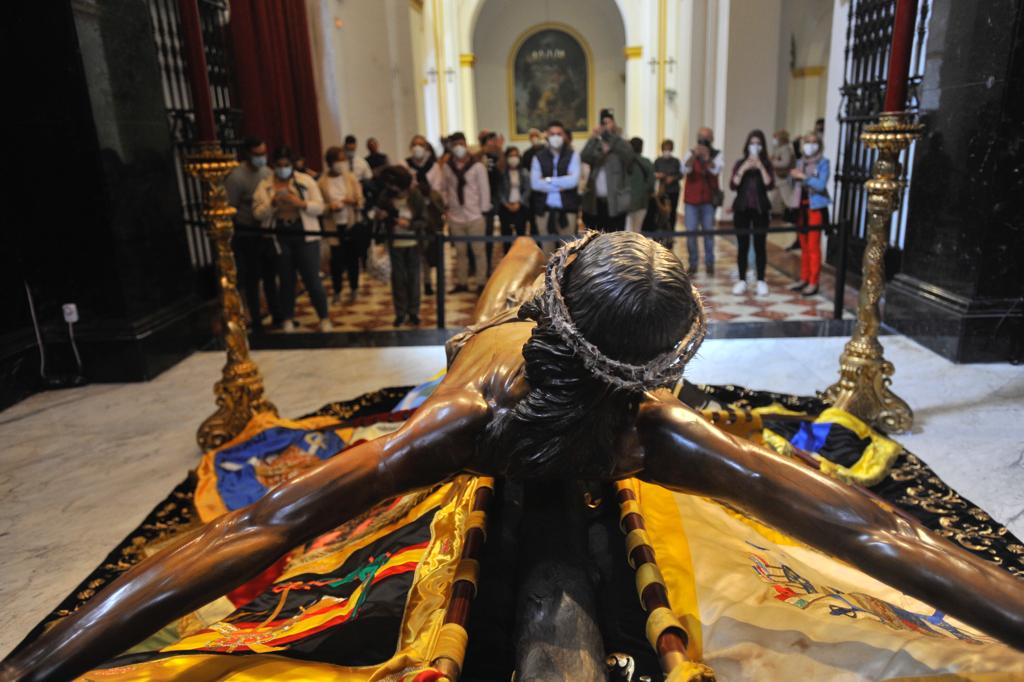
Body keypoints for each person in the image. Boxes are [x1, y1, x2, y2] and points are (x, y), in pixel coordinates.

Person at [8, 231, 1024, 682]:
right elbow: (874, 526)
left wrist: (38, 662)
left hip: (517, 353)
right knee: (490, 302)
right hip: (496, 350)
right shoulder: (508, 415)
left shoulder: (529, 424)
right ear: (656, 375)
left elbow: (259, 525)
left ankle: (540, 261)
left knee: (506, 289)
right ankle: (530, 264)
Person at [253, 145, 332, 332]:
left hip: (304, 233)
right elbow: (257, 214)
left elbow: (320, 207)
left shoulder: (305, 181)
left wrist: (301, 203)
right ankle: (287, 318)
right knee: (286, 279)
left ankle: (324, 317)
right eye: (279, 165)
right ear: (274, 165)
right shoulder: (265, 185)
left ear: (292, 164)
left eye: (286, 164)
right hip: (280, 234)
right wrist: (272, 204)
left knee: (312, 279)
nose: (283, 168)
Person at [224, 136, 280, 332]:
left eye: (263, 153)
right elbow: (230, 209)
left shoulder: (267, 172)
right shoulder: (236, 177)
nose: (262, 158)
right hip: (247, 235)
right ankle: (256, 318)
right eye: (257, 154)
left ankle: (276, 314)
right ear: (248, 154)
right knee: (252, 279)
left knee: (270, 276)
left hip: (266, 233)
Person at [375, 166, 427, 326]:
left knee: (413, 278)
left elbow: (424, 220)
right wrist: (381, 216)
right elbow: (378, 215)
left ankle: (414, 312)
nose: (394, 189)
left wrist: (410, 224)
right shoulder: (385, 196)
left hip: (413, 243)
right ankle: (400, 312)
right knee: (398, 279)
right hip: (394, 243)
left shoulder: (415, 196)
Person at [441, 131, 491, 293]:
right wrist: (446, 207)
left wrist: (483, 210)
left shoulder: (477, 166)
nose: (459, 148)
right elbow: (444, 188)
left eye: (461, 144)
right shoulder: (447, 167)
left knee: (479, 251)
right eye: (455, 145)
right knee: (460, 252)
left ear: (466, 144)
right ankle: (462, 282)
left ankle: (480, 282)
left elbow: (484, 189)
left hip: (475, 215)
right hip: (456, 216)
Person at [729, 130, 775, 297]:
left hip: (760, 209)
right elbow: (733, 185)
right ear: (747, 145)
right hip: (742, 209)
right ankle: (742, 280)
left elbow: (770, 185)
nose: (754, 146)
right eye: (752, 143)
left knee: (760, 245)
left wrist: (761, 166)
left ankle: (761, 281)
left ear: (762, 146)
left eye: (758, 143)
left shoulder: (767, 164)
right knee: (742, 245)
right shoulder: (740, 163)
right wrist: (745, 167)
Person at [318, 146, 365, 305]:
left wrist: (351, 202)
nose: (342, 163)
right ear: (331, 162)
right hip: (333, 224)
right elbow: (319, 206)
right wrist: (330, 207)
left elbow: (360, 200)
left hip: (350, 222)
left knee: (353, 258)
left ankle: (354, 289)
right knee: (336, 260)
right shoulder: (322, 182)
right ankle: (337, 290)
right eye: (339, 160)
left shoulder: (350, 178)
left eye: (343, 160)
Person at [529, 120, 581, 254]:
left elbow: (573, 182)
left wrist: (547, 180)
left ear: (564, 136)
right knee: (547, 252)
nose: (556, 137)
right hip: (544, 211)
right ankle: (548, 276)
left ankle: (565, 276)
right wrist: (562, 183)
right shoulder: (538, 157)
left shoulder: (573, 155)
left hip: (567, 210)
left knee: (567, 252)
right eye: (552, 134)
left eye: (559, 134)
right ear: (547, 135)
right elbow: (535, 184)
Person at [401, 134, 444, 295]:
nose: (417, 148)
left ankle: (429, 281)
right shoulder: (405, 164)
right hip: (413, 213)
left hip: (431, 215)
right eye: (414, 144)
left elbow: (437, 189)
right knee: (415, 251)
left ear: (426, 148)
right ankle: (415, 283)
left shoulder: (434, 166)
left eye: (421, 145)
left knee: (430, 250)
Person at [790, 131, 830, 296]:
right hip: (800, 208)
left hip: (815, 208)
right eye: (807, 142)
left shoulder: (823, 162)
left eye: (813, 142)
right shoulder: (800, 162)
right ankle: (804, 278)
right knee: (804, 245)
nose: (810, 145)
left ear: (819, 145)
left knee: (814, 246)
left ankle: (814, 281)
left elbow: (820, 185)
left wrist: (804, 177)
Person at [580, 108, 634, 232]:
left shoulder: (621, 143)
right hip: (596, 202)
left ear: (614, 123)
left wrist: (613, 139)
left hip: (615, 203)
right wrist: (593, 137)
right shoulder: (596, 144)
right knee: (595, 238)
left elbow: (629, 157)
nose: (606, 126)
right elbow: (584, 156)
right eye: (603, 123)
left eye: (608, 122)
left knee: (614, 239)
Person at [682, 127, 723, 275]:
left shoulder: (717, 155)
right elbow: (684, 169)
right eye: (701, 138)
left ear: (711, 140)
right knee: (691, 234)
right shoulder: (691, 153)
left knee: (708, 234)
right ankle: (693, 263)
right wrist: (694, 155)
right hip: (691, 201)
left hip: (708, 201)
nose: (703, 141)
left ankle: (709, 263)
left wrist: (707, 158)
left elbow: (716, 170)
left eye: (706, 138)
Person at [478, 131, 504, 272]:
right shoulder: (478, 156)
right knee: (486, 233)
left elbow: (502, 168)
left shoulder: (499, 154)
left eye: (493, 140)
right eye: (488, 140)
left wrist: (499, 149)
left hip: (497, 197)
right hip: (483, 199)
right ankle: (485, 266)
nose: (491, 143)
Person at [497, 146, 531, 249]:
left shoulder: (524, 172)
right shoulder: (502, 173)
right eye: (511, 156)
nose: (513, 158)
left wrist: (519, 203)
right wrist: (506, 204)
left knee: (521, 235)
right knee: (506, 236)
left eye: (516, 155)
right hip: (505, 207)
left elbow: (527, 189)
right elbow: (499, 190)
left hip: (521, 206)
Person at [652, 139, 683, 247]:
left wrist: (673, 178)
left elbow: (680, 174)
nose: (667, 151)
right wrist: (658, 175)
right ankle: (659, 233)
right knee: (660, 212)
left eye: (669, 149)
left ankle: (671, 234)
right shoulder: (658, 161)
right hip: (661, 191)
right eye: (665, 149)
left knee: (672, 212)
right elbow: (653, 173)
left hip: (673, 190)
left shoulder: (676, 161)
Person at [626, 137, 655, 233]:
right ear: (641, 147)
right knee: (637, 230)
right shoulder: (646, 162)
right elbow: (651, 183)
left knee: (627, 231)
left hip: (626, 202)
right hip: (642, 202)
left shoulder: (625, 162)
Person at [771, 130, 800, 224]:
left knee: (789, 200)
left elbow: (785, 162)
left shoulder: (785, 148)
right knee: (778, 199)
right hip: (779, 179)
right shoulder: (780, 148)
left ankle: (794, 217)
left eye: (775, 137)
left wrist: (772, 162)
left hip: (783, 179)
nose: (774, 140)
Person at [521, 128, 545, 236]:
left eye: (536, 135)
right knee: (533, 221)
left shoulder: (545, 151)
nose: (534, 138)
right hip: (531, 191)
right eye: (532, 136)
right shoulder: (526, 154)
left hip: (544, 189)